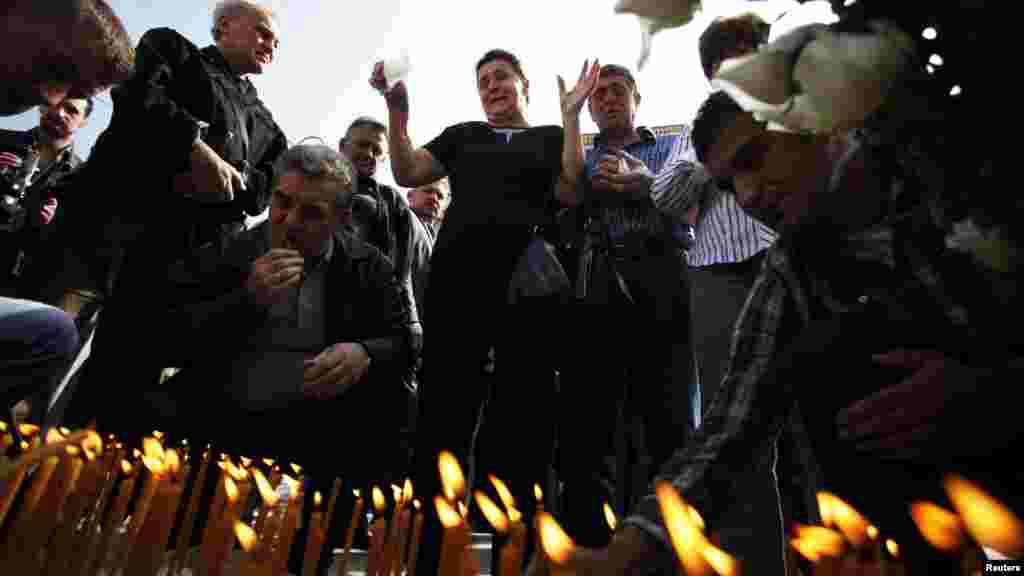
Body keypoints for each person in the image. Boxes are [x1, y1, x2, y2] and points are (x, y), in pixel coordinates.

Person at [370, 48, 599, 576]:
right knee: (440, 424)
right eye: (483, 81)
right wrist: (398, 110)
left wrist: (570, 119)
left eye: (501, 78)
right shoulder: (462, 135)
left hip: (526, 299)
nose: (491, 87)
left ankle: (513, 561)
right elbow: (408, 171)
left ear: (524, 85)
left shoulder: (548, 138)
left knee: (521, 428)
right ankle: (427, 558)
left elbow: (570, 189)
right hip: (456, 294)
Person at [146, 144, 416, 576]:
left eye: (311, 213)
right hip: (226, 423)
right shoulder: (232, 251)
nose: (288, 222)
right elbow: (167, 337)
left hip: (322, 431)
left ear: (342, 220)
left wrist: (364, 352)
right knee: (196, 550)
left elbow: (405, 341)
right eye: (282, 202)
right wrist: (245, 301)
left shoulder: (368, 266)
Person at [61, 0, 290, 432]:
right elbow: (138, 93)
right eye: (261, 32)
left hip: (184, 267)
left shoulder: (267, 125)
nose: (269, 45)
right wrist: (190, 145)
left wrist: (232, 181)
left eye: (275, 42)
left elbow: (267, 187)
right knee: (63, 358)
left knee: (128, 388)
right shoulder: (171, 49)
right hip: (110, 245)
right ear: (224, 26)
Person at [563, 63, 696, 547]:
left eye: (618, 91)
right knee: (594, 418)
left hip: (664, 277)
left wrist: (644, 182)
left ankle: (664, 539)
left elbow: (687, 201)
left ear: (637, 98)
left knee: (668, 413)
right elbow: (565, 193)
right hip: (599, 284)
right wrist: (570, 117)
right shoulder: (580, 154)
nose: (608, 100)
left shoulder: (670, 144)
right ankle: (594, 545)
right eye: (599, 95)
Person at [0, 0, 133, 421]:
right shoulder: (4, 141)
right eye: (59, 79)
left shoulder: (83, 180)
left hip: (24, 281)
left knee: (54, 330)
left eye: (73, 102)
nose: (53, 104)